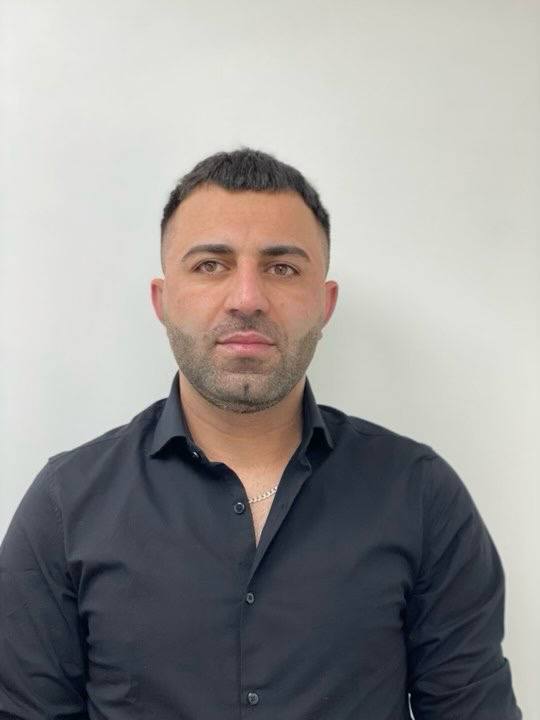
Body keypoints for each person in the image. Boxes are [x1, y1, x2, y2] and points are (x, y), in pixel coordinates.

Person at [0, 148, 522, 719]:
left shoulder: (420, 495)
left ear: (324, 304)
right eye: (210, 265)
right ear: (163, 301)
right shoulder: (66, 503)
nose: (247, 299)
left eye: (282, 268)